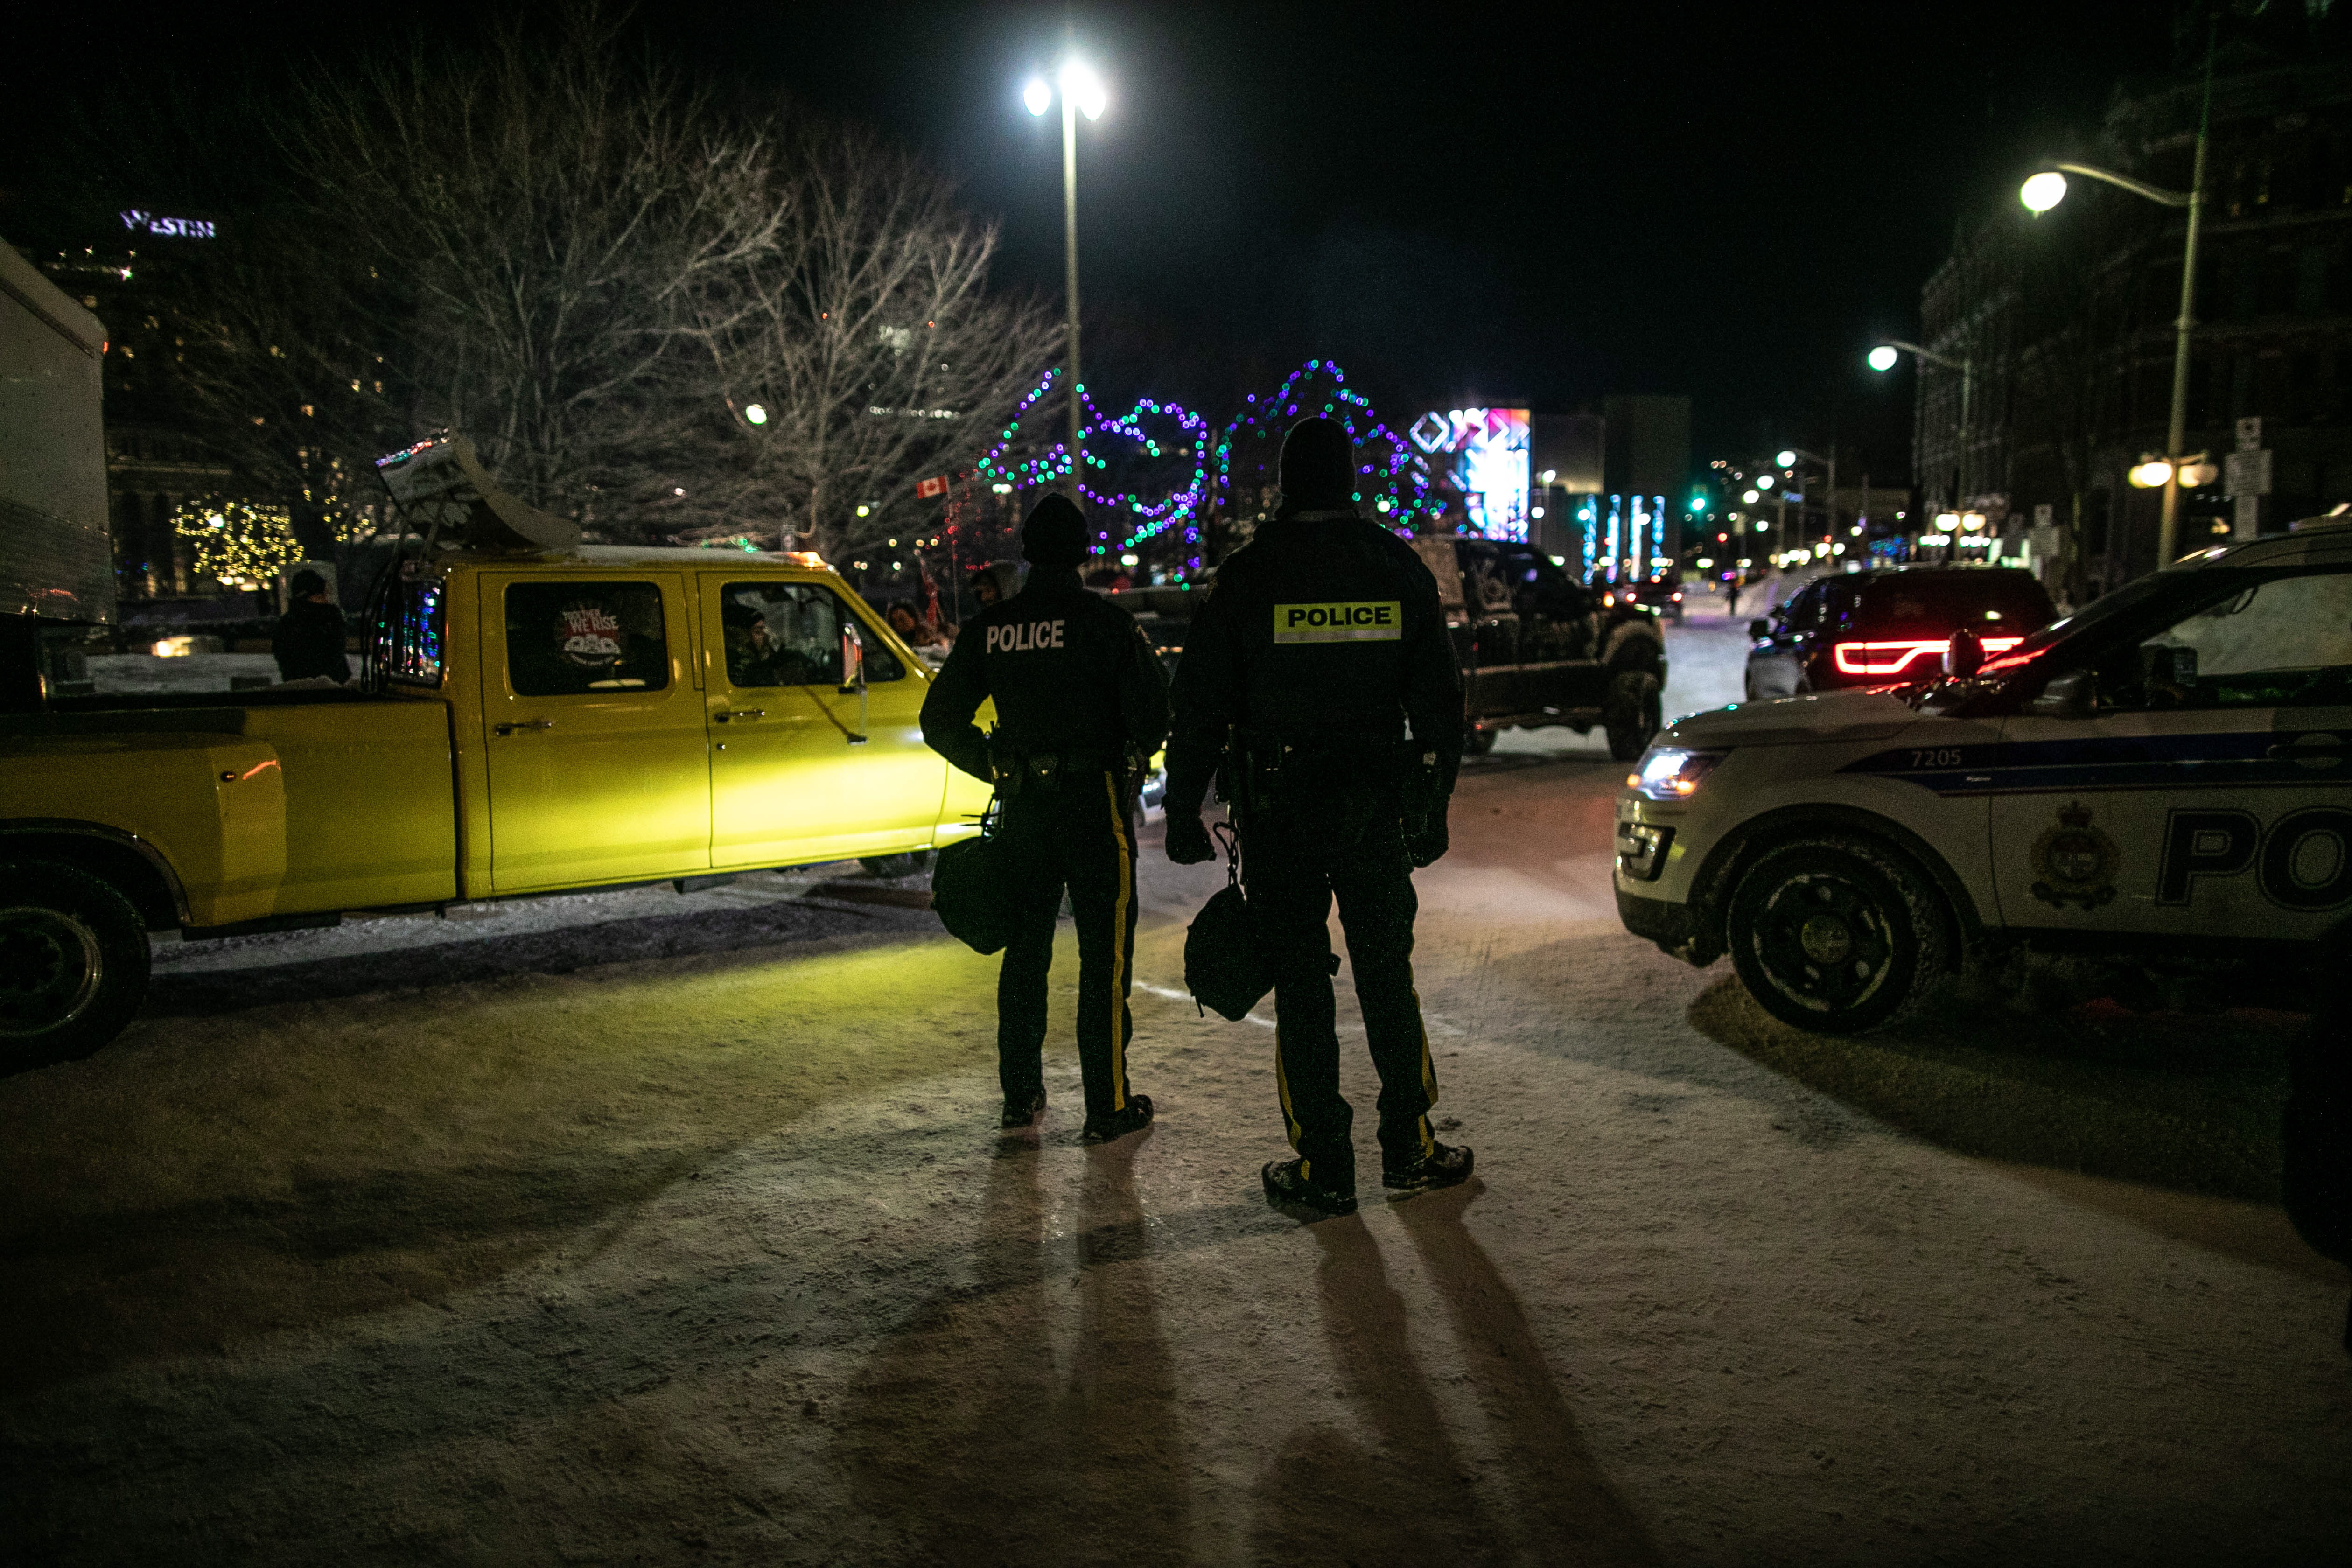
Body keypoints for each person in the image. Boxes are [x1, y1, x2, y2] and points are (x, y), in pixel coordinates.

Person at [1162, 416, 1470, 1217]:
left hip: (1280, 812)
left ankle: (1325, 1165)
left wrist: (1185, 805)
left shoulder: (1247, 577)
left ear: (1286, 484)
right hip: (1373, 807)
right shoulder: (1397, 570)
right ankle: (1410, 1144)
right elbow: (1441, 705)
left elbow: (1199, 703)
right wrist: (1431, 807)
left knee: (1302, 983)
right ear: (1352, 481)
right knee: (1384, 976)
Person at [922, 495, 1171, 1140]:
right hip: (1096, 810)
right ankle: (1106, 1106)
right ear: (1083, 552)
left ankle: (1019, 1096)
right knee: (1104, 960)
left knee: (1025, 954)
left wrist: (995, 765)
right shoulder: (1108, 625)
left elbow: (939, 719)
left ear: (1028, 553)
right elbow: (1154, 718)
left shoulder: (993, 628)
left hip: (1025, 812)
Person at [272, 569, 350, 684]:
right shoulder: (324, 621)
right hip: (320, 691)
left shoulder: (289, 624)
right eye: (321, 596)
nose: (326, 600)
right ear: (309, 597)